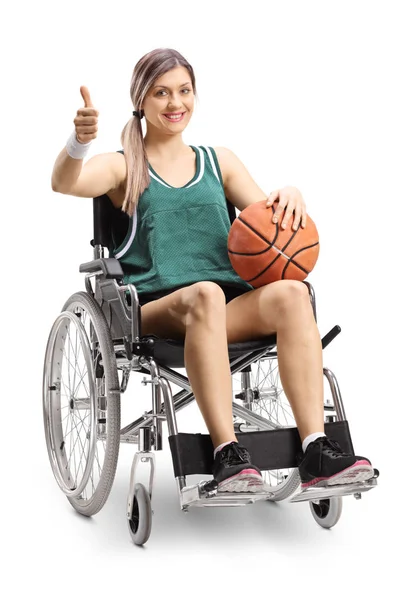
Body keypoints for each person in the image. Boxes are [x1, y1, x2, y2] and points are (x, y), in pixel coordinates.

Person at [51, 47, 374, 494]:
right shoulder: (125, 165)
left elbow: (269, 225)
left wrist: (293, 193)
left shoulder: (218, 161)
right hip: (157, 310)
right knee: (205, 293)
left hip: (223, 307)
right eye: (161, 93)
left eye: (183, 91)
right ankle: (228, 454)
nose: (174, 103)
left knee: (293, 293)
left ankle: (317, 448)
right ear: (141, 100)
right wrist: (79, 141)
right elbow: (65, 183)